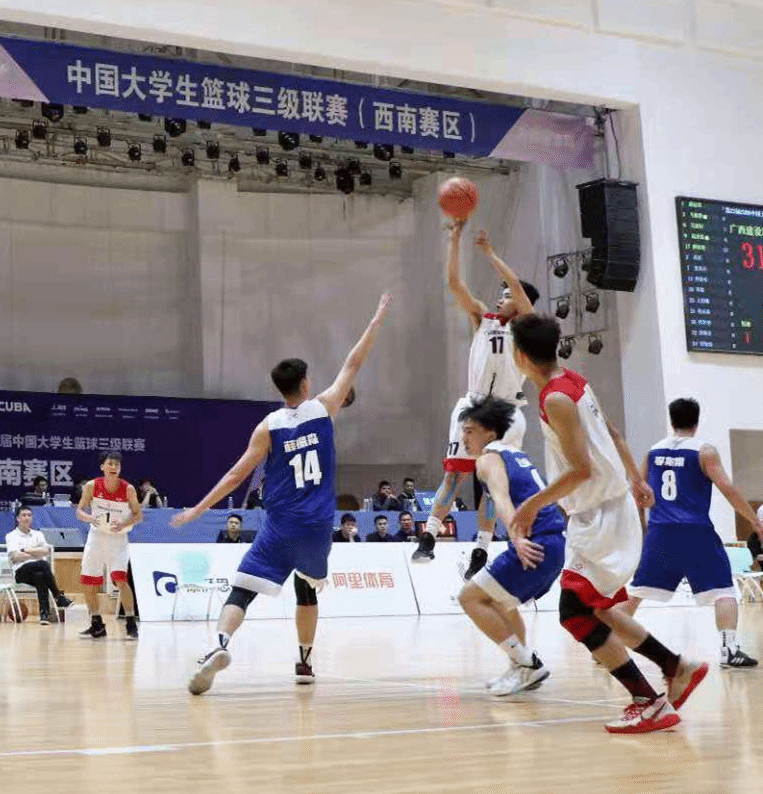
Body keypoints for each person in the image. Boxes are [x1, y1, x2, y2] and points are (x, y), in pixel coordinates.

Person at [174, 294, 390, 695]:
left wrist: (197, 510)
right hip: (318, 528)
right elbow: (353, 363)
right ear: (306, 384)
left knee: (243, 589)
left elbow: (236, 476)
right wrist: (376, 319)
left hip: (280, 526)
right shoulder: (324, 407)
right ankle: (305, 662)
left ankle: (220, 644)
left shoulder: (268, 426)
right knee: (306, 590)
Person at [508, 314, 707, 733]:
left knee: (574, 612)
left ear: (520, 356)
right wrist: (636, 478)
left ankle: (648, 702)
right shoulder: (573, 381)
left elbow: (581, 469)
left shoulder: (556, 399)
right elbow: (613, 433)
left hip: (601, 516)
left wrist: (530, 505)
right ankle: (676, 666)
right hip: (604, 510)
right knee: (600, 609)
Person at [416, 227, 538, 579]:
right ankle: (429, 535)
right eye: (500, 294)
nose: (500, 299)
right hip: (475, 403)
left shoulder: (528, 326)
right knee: (455, 474)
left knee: (492, 482)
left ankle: (482, 548)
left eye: (507, 295)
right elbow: (455, 284)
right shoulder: (483, 318)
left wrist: (490, 253)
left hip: (508, 410)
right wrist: (454, 240)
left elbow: (517, 289)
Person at [621, 399, 762, 667]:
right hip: (695, 531)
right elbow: (727, 488)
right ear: (696, 423)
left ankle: (606, 644)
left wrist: (643, 528)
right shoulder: (704, 451)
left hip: (660, 531)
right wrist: (753, 520)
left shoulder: (653, 451)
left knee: (636, 592)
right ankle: (729, 651)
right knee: (723, 591)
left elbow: (637, 493)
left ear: (671, 420)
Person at [452, 396, 563, 696]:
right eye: (463, 431)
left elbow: (500, 499)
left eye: (470, 431)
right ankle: (520, 667)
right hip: (554, 542)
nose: (464, 438)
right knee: (503, 604)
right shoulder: (515, 454)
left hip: (535, 541)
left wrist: (517, 538)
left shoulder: (487, 459)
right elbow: (501, 501)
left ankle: (527, 664)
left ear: (489, 433)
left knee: (469, 598)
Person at [75, 451, 144, 640]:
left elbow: (138, 515)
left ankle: (131, 622)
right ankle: (96, 624)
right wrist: (89, 517)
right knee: (89, 581)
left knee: (121, 580)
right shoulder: (91, 486)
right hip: (97, 537)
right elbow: (79, 510)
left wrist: (124, 524)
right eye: (110, 464)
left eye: (117, 465)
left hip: (118, 538)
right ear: (102, 467)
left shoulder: (128, 489)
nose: (113, 467)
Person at [5, 505, 70, 624]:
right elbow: (15, 556)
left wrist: (25, 550)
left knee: (40, 576)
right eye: (23, 515)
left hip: (37, 571)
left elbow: (45, 551)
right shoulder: (11, 536)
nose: (27, 518)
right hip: (21, 571)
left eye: (29, 515)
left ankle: (44, 616)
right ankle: (58, 596)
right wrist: (36, 553)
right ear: (18, 518)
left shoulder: (38, 535)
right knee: (43, 563)